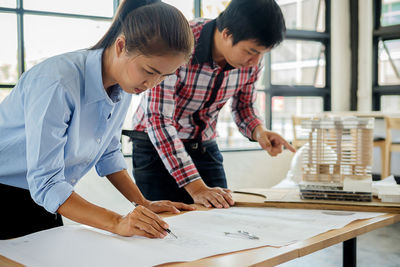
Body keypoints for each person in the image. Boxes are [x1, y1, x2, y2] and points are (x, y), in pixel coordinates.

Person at [0, 0, 195, 240]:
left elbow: (108, 152)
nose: (152, 84)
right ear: (121, 46)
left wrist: (141, 202)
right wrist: (117, 222)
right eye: (149, 71)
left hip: (49, 198)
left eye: (163, 76)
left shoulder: (123, 85)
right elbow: (46, 182)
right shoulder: (57, 82)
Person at [125, 0, 296, 209]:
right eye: (251, 51)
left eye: (262, 54)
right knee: (163, 227)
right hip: (155, 145)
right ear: (226, 34)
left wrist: (259, 131)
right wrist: (196, 188)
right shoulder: (178, 42)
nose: (255, 61)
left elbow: (244, 106)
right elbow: (159, 120)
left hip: (203, 145)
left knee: (221, 218)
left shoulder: (251, 61)